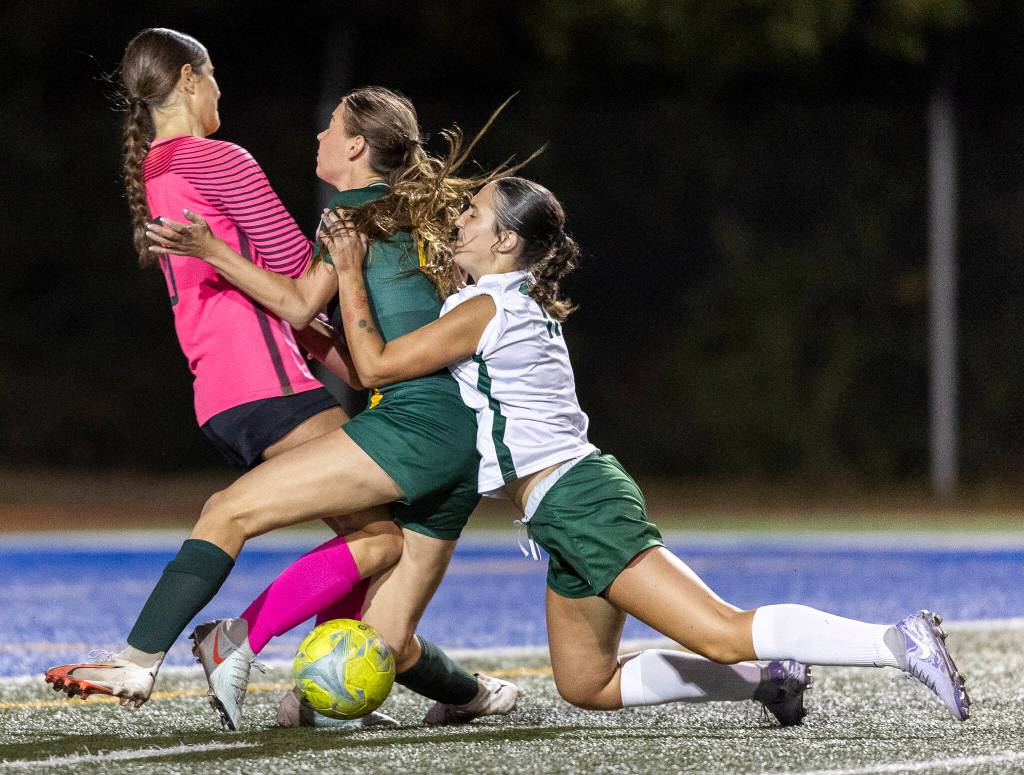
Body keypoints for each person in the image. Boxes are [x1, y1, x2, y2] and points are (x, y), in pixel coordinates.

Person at [317, 176, 972, 725]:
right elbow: (388, 366)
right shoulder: (491, 302)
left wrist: (348, 273)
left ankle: (895, 641)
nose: (458, 217)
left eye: (473, 212)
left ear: (506, 240)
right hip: (561, 510)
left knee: (718, 628)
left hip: (579, 501)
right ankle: (765, 679)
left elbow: (375, 366)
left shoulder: (486, 307)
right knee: (586, 682)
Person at [45, 85, 518, 731]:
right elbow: (315, 311)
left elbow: (299, 304)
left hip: (414, 425)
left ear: (355, 145)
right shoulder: (407, 213)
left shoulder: (351, 213)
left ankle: (145, 657)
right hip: (456, 442)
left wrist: (211, 249)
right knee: (385, 633)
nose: (317, 136)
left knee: (227, 509)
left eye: (329, 127)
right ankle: (469, 697)